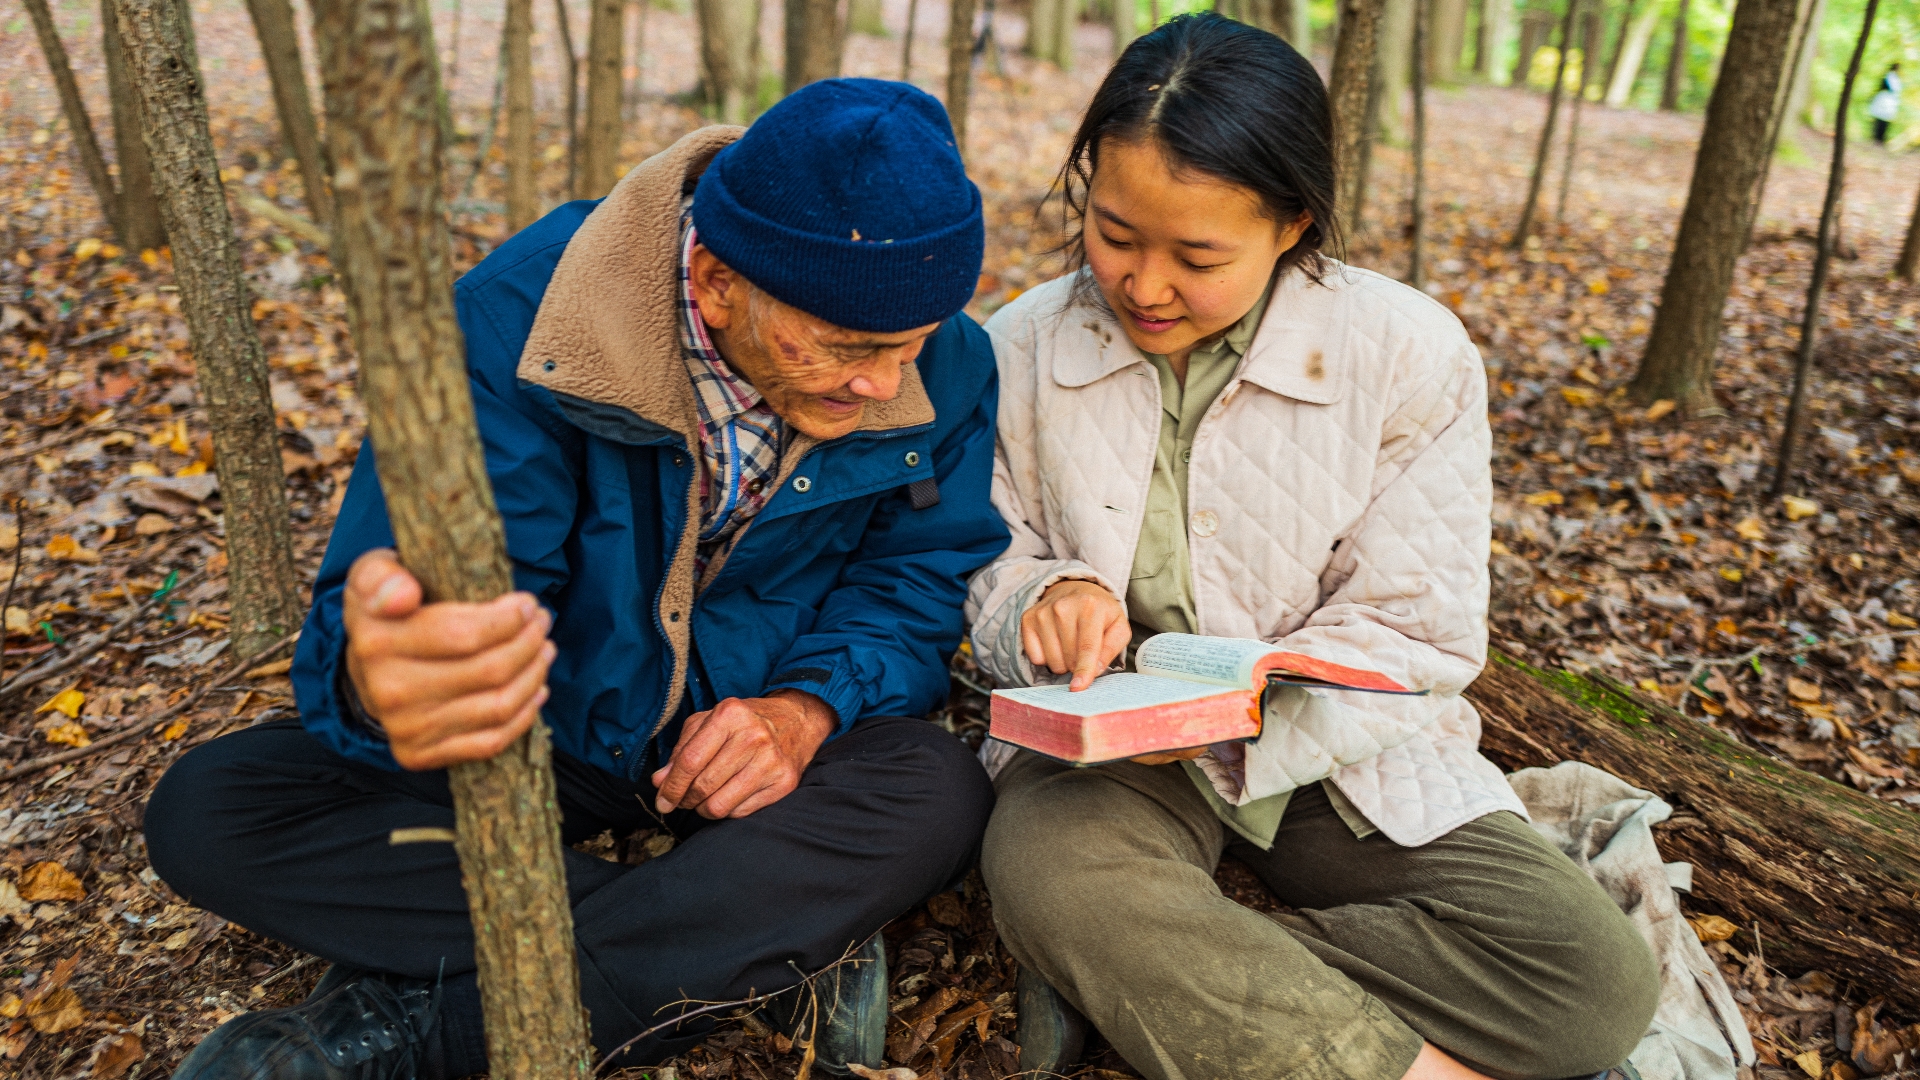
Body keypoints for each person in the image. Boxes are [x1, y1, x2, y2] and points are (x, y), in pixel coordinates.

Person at [145, 79, 1005, 1079]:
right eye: (852, 350)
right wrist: (386, 683)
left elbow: (910, 582)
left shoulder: (944, 363)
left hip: (757, 759)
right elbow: (427, 614)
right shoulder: (521, 329)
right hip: (544, 742)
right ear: (720, 282)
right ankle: (749, 946)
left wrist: (803, 710)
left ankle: (408, 1041)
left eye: (909, 347)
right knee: (217, 808)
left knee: (933, 790)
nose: (885, 385)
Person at [965, 16, 1661, 1080]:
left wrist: (1242, 706)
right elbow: (981, 555)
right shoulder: (1018, 346)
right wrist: (1038, 601)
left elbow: (1418, 625)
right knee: (1052, 876)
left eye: (1197, 256)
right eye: (1113, 234)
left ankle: (1142, 985)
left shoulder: (1406, 354)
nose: (1144, 286)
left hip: (1335, 752)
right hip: (1107, 757)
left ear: (1293, 223)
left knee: (1591, 981)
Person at [1870, 63, 1902, 145]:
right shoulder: (1890, 76)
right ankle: (1877, 138)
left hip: (1889, 100)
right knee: (1881, 119)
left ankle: (1880, 138)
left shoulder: (1894, 77)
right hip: (1885, 99)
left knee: (1884, 119)